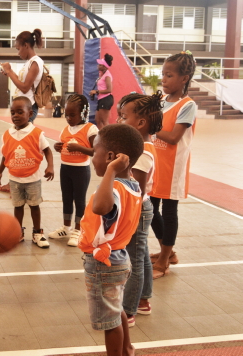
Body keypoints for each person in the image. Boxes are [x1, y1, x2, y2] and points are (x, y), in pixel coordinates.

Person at [78, 124, 144, 356]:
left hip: (104, 264)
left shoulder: (114, 186)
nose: (92, 157)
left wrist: (110, 172)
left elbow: (100, 206)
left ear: (109, 158)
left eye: (94, 152)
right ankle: (127, 349)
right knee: (115, 309)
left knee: (109, 321)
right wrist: (114, 171)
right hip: (118, 258)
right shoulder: (132, 184)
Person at [117, 91, 163, 327]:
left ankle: (128, 310)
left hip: (137, 208)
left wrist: (125, 212)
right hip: (141, 206)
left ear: (141, 123)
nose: (122, 121)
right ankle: (144, 300)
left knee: (133, 260)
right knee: (142, 255)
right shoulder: (142, 146)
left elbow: (138, 189)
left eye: (125, 117)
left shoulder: (144, 151)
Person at [149, 51, 197, 279]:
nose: (164, 80)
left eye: (169, 75)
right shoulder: (160, 101)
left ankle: (164, 261)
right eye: (163, 75)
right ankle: (167, 252)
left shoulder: (188, 105)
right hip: (155, 164)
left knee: (169, 211)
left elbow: (174, 137)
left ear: (184, 78)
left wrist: (148, 125)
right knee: (149, 209)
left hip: (172, 167)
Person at [0, 97, 54, 247]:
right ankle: (18, 231)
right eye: (13, 112)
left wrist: (50, 166)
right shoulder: (7, 134)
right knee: (18, 206)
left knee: (34, 206)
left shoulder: (37, 133)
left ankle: (37, 233)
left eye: (20, 112)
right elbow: (5, 155)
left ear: (30, 113)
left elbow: (48, 151)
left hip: (33, 178)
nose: (15, 116)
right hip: (14, 179)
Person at [49, 94, 98, 246]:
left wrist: (79, 148)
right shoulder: (66, 129)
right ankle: (66, 227)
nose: (69, 118)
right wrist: (58, 147)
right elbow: (63, 144)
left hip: (80, 171)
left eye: (72, 115)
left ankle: (78, 230)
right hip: (65, 168)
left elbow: (97, 151)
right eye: (66, 115)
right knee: (67, 198)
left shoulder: (90, 129)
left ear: (83, 112)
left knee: (79, 200)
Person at [1, 29, 44, 123]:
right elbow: (21, 83)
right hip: (23, 105)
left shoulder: (36, 62)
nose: (18, 53)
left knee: (25, 136)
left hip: (29, 106)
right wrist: (9, 72)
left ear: (26, 45)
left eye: (18, 49)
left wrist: (9, 71)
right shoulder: (28, 63)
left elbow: (25, 88)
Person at [89, 53, 114, 129]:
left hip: (106, 99)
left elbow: (109, 90)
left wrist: (96, 92)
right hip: (101, 99)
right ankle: (101, 136)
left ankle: (110, 137)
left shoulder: (107, 76)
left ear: (104, 66)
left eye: (100, 65)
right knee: (97, 120)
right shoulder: (102, 75)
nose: (98, 66)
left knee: (104, 121)